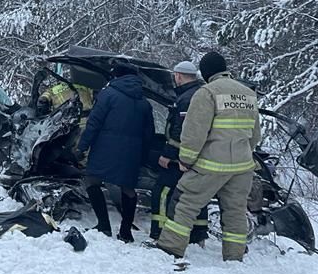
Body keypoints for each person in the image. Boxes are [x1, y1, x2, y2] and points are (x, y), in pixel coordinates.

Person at [156, 51, 261, 262]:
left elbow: (194, 131)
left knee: (185, 202)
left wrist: (186, 160)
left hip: (211, 164)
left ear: (205, 73)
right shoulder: (248, 94)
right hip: (242, 166)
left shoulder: (207, 93)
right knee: (235, 211)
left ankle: (171, 248)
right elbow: (255, 134)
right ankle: (234, 256)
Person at [75, 60, 154, 242]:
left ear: (116, 75)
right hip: (131, 152)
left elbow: (93, 123)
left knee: (92, 181)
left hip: (105, 148)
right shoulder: (144, 102)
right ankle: (126, 232)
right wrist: (143, 155)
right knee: (128, 188)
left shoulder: (108, 94)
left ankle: (104, 225)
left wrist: (82, 147)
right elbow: (149, 133)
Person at [148, 61, 209, 244]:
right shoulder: (200, 94)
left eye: (175, 76)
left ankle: (158, 232)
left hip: (181, 156)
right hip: (199, 155)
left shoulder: (186, 99)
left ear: (179, 76)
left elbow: (180, 130)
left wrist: (168, 154)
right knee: (195, 194)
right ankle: (199, 233)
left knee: (162, 191)